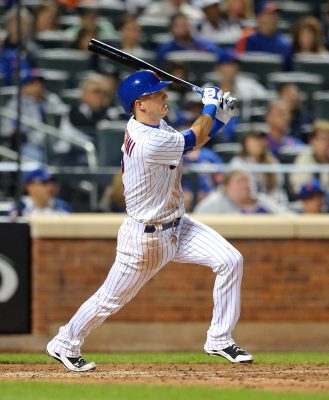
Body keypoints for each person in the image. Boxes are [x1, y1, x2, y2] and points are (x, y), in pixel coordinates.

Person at [46, 69, 253, 372]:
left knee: (230, 261)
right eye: (156, 93)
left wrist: (220, 118)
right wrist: (209, 106)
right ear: (139, 104)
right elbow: (193, 136)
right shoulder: (146, 140)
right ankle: (65, 342)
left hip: (178, 226)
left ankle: (219, 339)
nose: (164, 96)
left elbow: (193, 143)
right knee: (109, 300)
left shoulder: (155, 125)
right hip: (146, 240)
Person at [1, 69, 66, 161]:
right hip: (29, 145)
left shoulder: (52, 99)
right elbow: (6, 130)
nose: (38, 86)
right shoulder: (15, 104)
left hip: (54, 142)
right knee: (35, 156)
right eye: (32, 83)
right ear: (23, 87)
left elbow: (64, 118)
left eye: (39, 83)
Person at [230, 128, 288, 204]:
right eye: (255, 139)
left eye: (262, 139)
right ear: (246, 142)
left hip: (270, 205)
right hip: (247, 205)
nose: (259, 142)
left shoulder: (272, 162)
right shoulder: (238, 163)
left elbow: (278, 188)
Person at [194, 169, 291, 214]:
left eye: (247, 181)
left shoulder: (262, 200)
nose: (245, 185)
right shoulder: (214, 203)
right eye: (239, 181)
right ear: (227, 186)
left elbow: (287, 217)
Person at [236, 0, 291, 70]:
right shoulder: (245, 40)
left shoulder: (285, 44)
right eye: (269, 14)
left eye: (275, 14)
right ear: (258, 17)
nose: (273, 17)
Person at [156, 12, 223, 65]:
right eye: (182, 25)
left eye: (186, 24)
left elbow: (217, 52)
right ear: (172, 29)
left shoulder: (202, 44)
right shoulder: (166, 49)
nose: (186, 28)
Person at [290, 119, 329, 196]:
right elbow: (300, 189)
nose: (327, 143)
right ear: (312, 140)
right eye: (323, 139)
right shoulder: (304, 159)